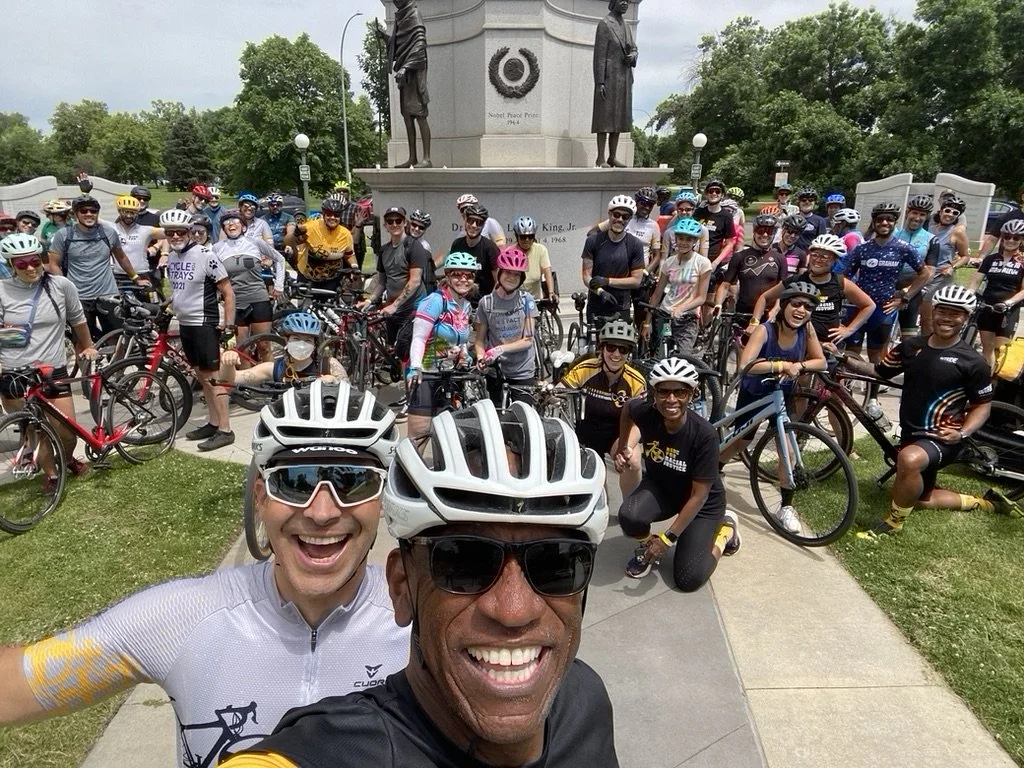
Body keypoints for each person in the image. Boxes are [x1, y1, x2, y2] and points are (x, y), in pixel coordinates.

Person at [0, 382, 410, 768]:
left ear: (383, 502)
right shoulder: (183, 617)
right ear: (261, 498)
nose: (322, 513)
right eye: (295, 481)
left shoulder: (424, 632)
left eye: (353, 481)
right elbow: (15, 686)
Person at [222, 399, 618, 768]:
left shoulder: (585, 699)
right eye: (463, 561)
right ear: (402, 586)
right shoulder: (334, 752)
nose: (514, 610)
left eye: (556, 563)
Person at [842, 286, 1016, 534]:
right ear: (932, 313)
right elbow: (879, 372)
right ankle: (985, 503)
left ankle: (893, 524)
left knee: (909, 460)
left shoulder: (973, 361)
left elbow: (982, 406)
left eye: (956, 314)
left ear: (966, 319)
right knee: (922, 500)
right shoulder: (911, 347)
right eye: (942, 311)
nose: (947, 318)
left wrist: (963, 433)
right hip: (912, 434)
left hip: (944, 438)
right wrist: (845, 359)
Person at [616, 357, 740, 585]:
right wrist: (624, 446)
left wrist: (668, 537)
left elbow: (699, 495)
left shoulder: (704, 435)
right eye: (663, 392)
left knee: (688, 578)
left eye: (680, 392)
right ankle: (649, 547)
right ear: (654, 393)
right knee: (629, 516)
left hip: (702, 503)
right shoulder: (645, 412)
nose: (671, 399)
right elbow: (628, 409)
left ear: (691, 394)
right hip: (663, 488)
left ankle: (725, 531)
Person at [721, 281, 828, 534]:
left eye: (808, 307)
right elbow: (745, 365)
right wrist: (780, 366)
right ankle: (714, 467)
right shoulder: (766, 330)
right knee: (740, 440)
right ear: (785, 305)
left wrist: (800, 367)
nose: (801, 310)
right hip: (755, 392)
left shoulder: (807, 330)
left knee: (788, 451)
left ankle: (786, 507)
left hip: (783, 395)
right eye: (796, 304)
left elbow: (820, 361)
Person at [0, 233, 97, 488]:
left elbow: (78, 319)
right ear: (11, 265)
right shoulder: (1, 290)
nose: (31, 268)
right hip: (14, 373)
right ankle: (52, 475)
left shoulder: (61, 286)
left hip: (51, 369)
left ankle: (66, 460)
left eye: (35, 260)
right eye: (21, 264)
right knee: (36, 431)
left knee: (67, 433)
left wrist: (87, 346)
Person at [845, 201, 933, 411]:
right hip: (858, 308)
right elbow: (845, 276)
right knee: (851, 352)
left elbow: (925, 273)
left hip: (884, 309)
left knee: (877, 355)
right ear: (874, 223)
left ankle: (873, 399)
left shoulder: (903, 248)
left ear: (894, 222)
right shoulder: (862, 249)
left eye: (889, 220)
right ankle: (845, 392)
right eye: (880, 220)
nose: (884, 223)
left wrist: (905, 296)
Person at [162, 208, 237, 452]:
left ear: (190, 232)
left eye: (180, 232)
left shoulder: (206, 255)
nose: (175, 237)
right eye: (170, 233)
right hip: (185, 324)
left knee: (215, 380)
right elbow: (179, 290)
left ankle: (225, 430)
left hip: (205, 324)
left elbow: (228, 292)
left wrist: (229, 326)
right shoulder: (172, 258)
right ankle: (213, 423)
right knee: (202, 378)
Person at [559, 320, 645, 496]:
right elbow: (560, 389)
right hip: (587, 434)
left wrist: (625, 448)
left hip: (619, 434)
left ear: (629, 353)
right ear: (602, 348)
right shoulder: (586, 368)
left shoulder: (636, 381)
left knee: (633, 460)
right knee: (599, 499)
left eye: (623, 350)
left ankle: (631, 509)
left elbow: (640, 422)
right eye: (611, 347)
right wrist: (550, 392)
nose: (616, 354)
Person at [46, 194, 151, 340]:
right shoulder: (63, 235)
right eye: (83, 211)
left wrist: (135, 277)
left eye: (93, 211)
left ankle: (116, 363)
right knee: (81, 341)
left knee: (116, 337)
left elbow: (121, 256)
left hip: (107, 294)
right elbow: (54, 264)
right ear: (76, 213)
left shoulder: (108, 232)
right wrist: (64, 290)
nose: (89, 214)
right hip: (79, 296)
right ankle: (84, 363)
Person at [752, 234, 875, 348]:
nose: (818, 259)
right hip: (796, 342)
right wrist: (754, 322)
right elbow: (765, 298)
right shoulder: (796, 280)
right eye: (815, 255)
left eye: (825, 257)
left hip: (826, 344)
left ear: (834, 260)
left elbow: (869, 305)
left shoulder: (841, 282)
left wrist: (849, 330)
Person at [405, 253, 478, 444]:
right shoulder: (435, 302)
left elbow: (460, 338)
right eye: (457, 274)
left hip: (451, 375)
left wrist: (464, 354)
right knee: (419, 435)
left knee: (450, 437)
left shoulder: (465, 306)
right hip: (427, 373)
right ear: (447, 276)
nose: (463, 279)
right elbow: (419, 338)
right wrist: (415, 367)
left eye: (469, 275)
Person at [213, 209, 285, 354]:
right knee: (241, 349)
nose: (231, 224)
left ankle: (269, 376)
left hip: (258, 298)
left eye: (235, 221)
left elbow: (279, 259)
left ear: (243, 226)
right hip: (235, 303)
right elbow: (212, 275)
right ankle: (247, 376)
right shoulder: (217, 248)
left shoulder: (255, 243)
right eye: (226, 223)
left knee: (264, 346)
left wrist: (279, 286)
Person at [474, 246, 538, 407]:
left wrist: (500, 349)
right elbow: (480, 340)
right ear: (500, 273)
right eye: (508, 272)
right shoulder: (486, 303)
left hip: (522, 370)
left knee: (524, 418)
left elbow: (528, 340)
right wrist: (481, 357)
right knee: (496, 419)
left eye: (517, 274)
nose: (512, 277)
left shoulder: (527, 301)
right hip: (496, 371)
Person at [360, 206, 429, 352]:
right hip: (392, 310)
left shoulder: (413, 246)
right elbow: (381, 282)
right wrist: (369, 300)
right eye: (390, 221)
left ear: (405, 223)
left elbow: (415, 281)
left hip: (413, 309)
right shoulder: (384, 250)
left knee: (407, 350)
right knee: (391, 349)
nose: (394, 224)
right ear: (385, 225)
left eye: (398, 220)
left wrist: (395, 305)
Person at [218, 311, 346, 387]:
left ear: (315, 345)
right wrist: (228, 362)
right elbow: (230, 380)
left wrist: (333, 381)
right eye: (296, 339)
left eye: (307, 340)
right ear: (286, 341)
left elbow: (351, 395)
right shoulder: (275, 368)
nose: (301, 345)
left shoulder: (329, 365)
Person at [646, 217, 712, 354]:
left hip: (687, 319)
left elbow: (701, 298)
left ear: (695, 241)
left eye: (689, 239)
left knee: (683, 358)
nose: (684, 242)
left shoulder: (703, 263)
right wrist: (647, 322)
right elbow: (657, 294)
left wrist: (682, 308)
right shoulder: (669, 263)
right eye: (681, 238)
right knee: (662, 355)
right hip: (665, 316)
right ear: (675, 239)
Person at [379, 0, 432, 168]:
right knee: (407, 117)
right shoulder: (400, 17)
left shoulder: (414, 14)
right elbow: (399, 44)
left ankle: (427, 158)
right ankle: (412, 157)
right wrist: (384, 37)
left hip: (414, 76)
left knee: (420, 116)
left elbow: (420, 45)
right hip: (404, 79)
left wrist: (406, 67)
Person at [581, 195, 644, 325]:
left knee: (620, 345)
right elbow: (586, 275)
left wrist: (607, 281)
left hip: (621, 305)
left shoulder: (635, 244)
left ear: (629, 219)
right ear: (609, 214)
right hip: (596, 303)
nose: (620, 219)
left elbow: (636, 280)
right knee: (595, 343)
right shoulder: (593, 241)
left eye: (625, 217)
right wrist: (600, 291)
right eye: (616, 214)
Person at [970, 219, 1024, 370]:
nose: (1011, 240)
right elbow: (975, 281)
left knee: (1000, 350)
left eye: (1016, 238)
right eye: (1007, 237)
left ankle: (998, 384)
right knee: (987, 351)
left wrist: (1008, 303)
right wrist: (967, 295)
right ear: (1002, 238)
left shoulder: (1022, 261)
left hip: (1008, 310)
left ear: (1021, 240)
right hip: (987, 308)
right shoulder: (990, 259)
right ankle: (987, 385)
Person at [714, 213, 786, 319]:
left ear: (774, 234)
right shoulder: (739, 256)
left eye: (769, 231)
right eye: (760, 231)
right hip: (743, 313)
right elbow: (726, 285)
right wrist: (718, 304)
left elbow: (782, 288)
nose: (765, 235)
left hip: (769, 314)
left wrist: (776, 308)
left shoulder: (780, 258)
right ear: (754, 232)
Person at [592, 0, 636, 168]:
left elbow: (634, 48)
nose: (625, 3)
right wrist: (600, 82)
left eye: (627, 1)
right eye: (622, 0)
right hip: (609, 78)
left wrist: (633, 56)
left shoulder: (626, 26)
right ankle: (600, 158)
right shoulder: (605, 24)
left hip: (623, 77)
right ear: (614, 2)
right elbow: (599, 56)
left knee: (618, 119)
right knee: (604, 119)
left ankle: (613, 156)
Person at [920, 195, 971, 336]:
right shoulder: (929, 226)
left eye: (955, 213)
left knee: (927, 318)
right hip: (921, 275)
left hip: (939, 278)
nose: (950, 215)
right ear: (941, 210)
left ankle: (927, 348)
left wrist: (952, 267)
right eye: (947, 211)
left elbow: (966, 256)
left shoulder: (957, 232)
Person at [287, 197, 357, 294]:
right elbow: (289, 242)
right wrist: (294, 233)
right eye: (329, 214)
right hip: (308, 277)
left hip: (332, 278)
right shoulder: (311, 227)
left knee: (329, 306)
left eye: (336, 215)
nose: (332, 218)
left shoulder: (345, 234)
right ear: (323, 214)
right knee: (306, 307)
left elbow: (349, 254)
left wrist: (354, 267)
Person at [893, 194, 939, 337]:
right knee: (883, 334)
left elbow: (930, 271)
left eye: (922, 214)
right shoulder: (894, 235)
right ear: (907, 212)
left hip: (913, 290)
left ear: (926, 217)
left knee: (909, 336)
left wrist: (909, 291)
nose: (917, 218)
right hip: (890, 287)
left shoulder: (931, 239)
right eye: (914, 213)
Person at [111, 194, 164, 291]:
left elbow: (169, 233)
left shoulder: (145, 230)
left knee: (151, 304)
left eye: (133, 213)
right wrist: (85, 193)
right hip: (119, 276)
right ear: (119, 211)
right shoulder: (111, 228)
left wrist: (164, 253)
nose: (129, 216)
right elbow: (90, 219)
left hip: (142, 273)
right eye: (125, 212)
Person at [449, 203, 500, 297]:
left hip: (483, 302)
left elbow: (498, 281)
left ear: (483, 225)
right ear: (465, 221)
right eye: (470, 221)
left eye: (479, 222)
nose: (474, 225)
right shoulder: (457, 244)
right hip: (460, 300)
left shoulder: (490, 248)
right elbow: (450, 273)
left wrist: (489, 303)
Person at [695, 179, 737, 274]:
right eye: (711, 191)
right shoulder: (698, 212)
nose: (714, 193)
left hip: (712, 260)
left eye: (718, 191)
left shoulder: (726, 216)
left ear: (722, 195)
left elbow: (730, 243)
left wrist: (715, 263)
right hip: (695, 257)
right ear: (706, 194)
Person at [513, 216, 556, 302]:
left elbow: (547, 272)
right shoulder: (510, 252)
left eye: (530, 236)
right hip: (514, 299)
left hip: (535, 299)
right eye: (523, 237)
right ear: (516, 236)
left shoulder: (541, 249)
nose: (527, 240)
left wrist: (551, 293)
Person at [660, 191, 710, 259]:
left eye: (688, 209)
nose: (684, 212)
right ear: (677, 210)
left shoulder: (702, 230)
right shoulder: (669, 232)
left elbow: (704, 258)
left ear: (693, 210)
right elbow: (663, 259)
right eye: (681, 209)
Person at [979, 188, 1024, 257]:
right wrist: (981, 257)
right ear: (1023, 197)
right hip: (1005, 259)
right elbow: (992, 239)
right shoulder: (1008, 216)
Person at [793, 187, 829, 252]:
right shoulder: (792, 218)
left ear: (814, 202)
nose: (807, 202)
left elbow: (821, 243)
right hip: (792, 255)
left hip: (811, 256)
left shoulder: (820, 221)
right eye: (804, 200)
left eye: (811, 200)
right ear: (799, 202)